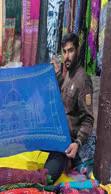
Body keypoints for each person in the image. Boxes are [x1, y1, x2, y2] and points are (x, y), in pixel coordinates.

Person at [45, 33, 94, 182]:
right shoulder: (69, 74)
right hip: (57, 132)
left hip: (67, 142)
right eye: (64, 52)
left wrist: (77, 143)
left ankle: (69, 161)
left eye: (70, 51)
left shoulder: (82, 80)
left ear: (78, 51)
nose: (67, 56)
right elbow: (66, 93)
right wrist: (58, 75)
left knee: (47, 177)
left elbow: (88, 118)